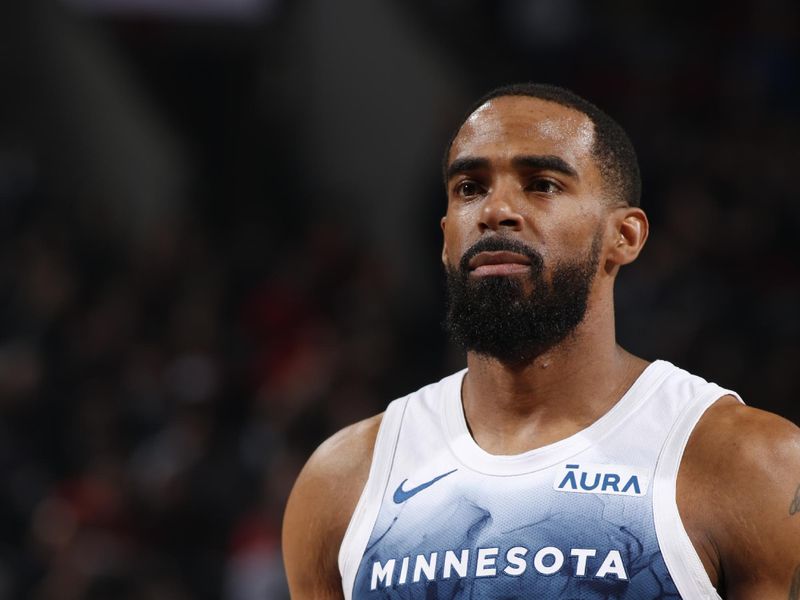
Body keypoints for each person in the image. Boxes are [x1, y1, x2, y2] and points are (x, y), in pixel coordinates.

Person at [282, 83, 800, 599]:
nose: (495, 210)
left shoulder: (751, 466)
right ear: (444, 238)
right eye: (470, 187)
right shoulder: (342, 481)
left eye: (542, 184)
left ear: (625, 237)